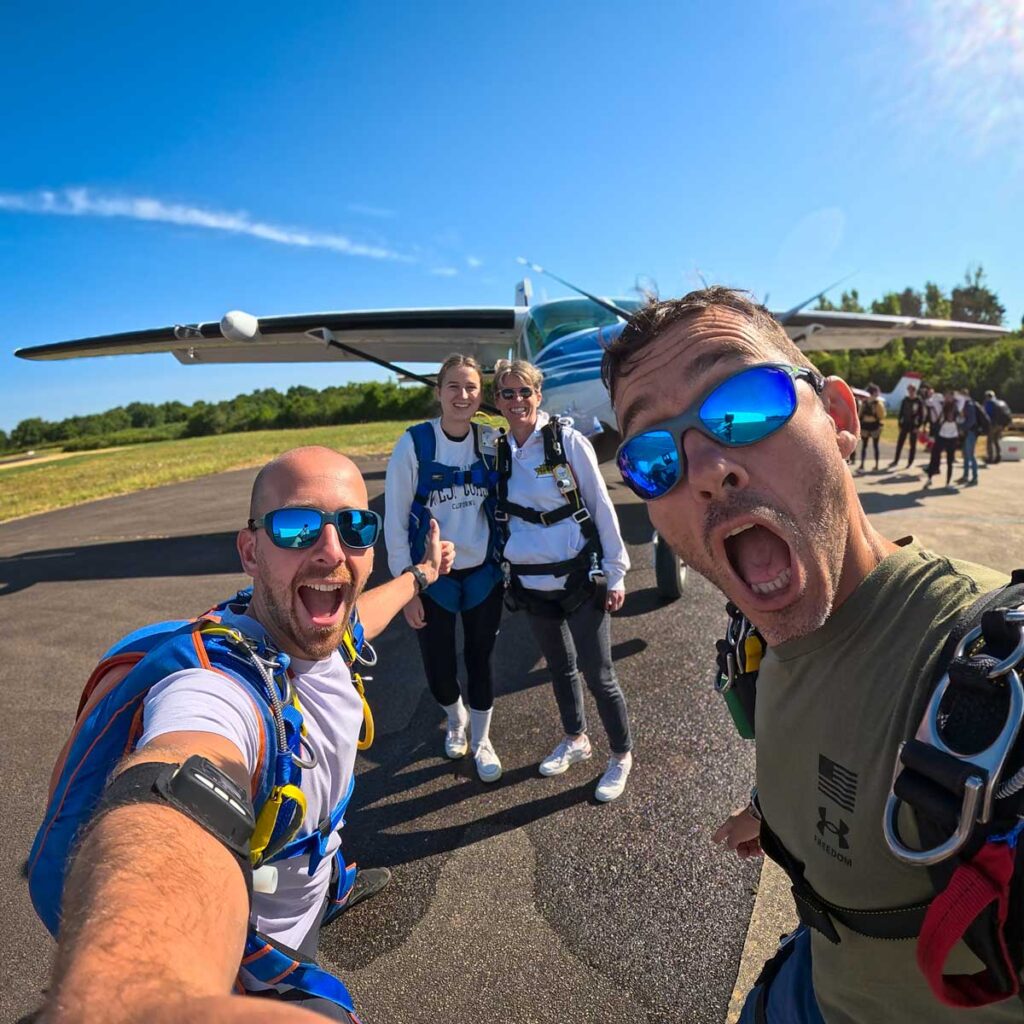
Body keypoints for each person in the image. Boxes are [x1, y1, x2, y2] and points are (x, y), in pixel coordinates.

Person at [602, 287, 1015, 1023]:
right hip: (810, 981)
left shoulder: (993, 680)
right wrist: (779, 810)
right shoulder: (756, 634)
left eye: (744, 403)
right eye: (652, 456)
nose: (705, 468)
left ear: (842, 420)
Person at [31, 446, 455, 1024]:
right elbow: (178, 793)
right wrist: (130, 992)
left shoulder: (319, 627)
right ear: (251, 551)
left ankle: (329, 889)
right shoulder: (219, 687)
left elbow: (365, 614)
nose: (333, 551)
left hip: (307, 874)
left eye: (356, 526)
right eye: (298, 526)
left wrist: (422, 575)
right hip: (259, 950)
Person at [491, 358, 634, 802]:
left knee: (599, 675)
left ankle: (620, 755)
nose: (517, 402)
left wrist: (616, 572)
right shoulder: (497, 451)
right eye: (507, 394)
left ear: (539, 395)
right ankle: (576, 739)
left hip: (578, 576)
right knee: (559, 668)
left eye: (525, 392)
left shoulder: (567, 442)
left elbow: (600, 505)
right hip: (531, 584)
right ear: (497, 401)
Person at [384, 353, 505, 782]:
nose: (463, 395)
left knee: (481, 659)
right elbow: (395, 521)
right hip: (431, 578)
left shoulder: (491, 440)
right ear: (438, 392)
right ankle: (456, 719)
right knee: (438, 665)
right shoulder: (414, 444)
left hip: (483, 573)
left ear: (480, 395)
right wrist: (407, 588)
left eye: (471, 387)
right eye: (453, 386)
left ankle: (483, 739)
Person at [924, 390, 960, 488]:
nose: (947, 398)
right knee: (934, 456)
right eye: (946, 396)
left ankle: (948, 483)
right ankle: (929, 478)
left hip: (952, 436)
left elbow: (963, 399)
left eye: (949, 396)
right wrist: (934, 395)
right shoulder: (941, 406)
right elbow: (929, 401)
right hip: (941, 435)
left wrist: (956, 396)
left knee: (950, 461)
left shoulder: (957, 406)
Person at [887, 383, 924, 468]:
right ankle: (896, 460)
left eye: (912, 390)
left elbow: (922, 415)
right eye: (909, 390)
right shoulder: (905, 400)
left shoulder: (918, 401)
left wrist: (918, 427)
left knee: (912, 445)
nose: (910, 392)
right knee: (900, 443)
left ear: (915, 391)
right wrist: (899, 424)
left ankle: (910, 462)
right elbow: (901, 413)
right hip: (905, 424)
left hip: (914, 425)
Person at [856, 383, 885, 472]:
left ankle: (862, 465)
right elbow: (882, 415)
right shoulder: (878, 403)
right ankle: (876, 465)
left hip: (865, 426)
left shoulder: (864, 403)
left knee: (864, 446)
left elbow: (859, 414)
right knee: (875, 446)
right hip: (874, 426)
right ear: (874, 392)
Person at [957, 388, 980, 486]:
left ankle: (974, 478)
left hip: (970, 432)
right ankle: (965, 476)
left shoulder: (969, 405)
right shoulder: (965, 404)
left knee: (970, 454)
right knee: (966, 455)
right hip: (967, 432)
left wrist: (963, 428)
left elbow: (971, 420)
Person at [984, 389, 1013, 464]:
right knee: (996, 440)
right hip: (1001, 425)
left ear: (987, 396)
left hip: (993, 424)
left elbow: (987, 415)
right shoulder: (1001, 402)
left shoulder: (989, 403)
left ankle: (990, 458)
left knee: (989, 441)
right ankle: (998, 456)